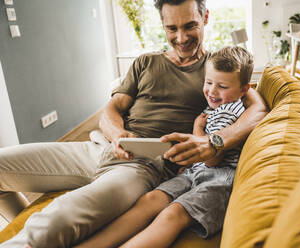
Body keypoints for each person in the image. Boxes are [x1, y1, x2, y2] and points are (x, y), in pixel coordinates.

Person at [0, 0, 267, 247]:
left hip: (142, 166)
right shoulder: (145, 62)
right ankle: (17, 224)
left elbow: (257, 107)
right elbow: (111, 110)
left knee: (55, 221)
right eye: (171, 28)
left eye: (190, 26)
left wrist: (214, 141)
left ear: (205, 18)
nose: (181, 38)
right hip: (100, 148)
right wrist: (117, 135)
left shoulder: (217, 70)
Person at [73, 46, 254, 248]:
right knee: (149, 200)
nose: (212, 91)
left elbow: (212, 159)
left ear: (244, 90)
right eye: (209, 82)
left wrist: (197, 129)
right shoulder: (218, 105)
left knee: (172, 214)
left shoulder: (228, 112)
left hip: (219, 179)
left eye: (222, 86)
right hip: (193, 172)